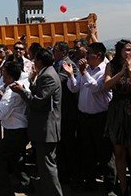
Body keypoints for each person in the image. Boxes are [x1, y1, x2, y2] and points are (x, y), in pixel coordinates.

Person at [64, 42, 115, 193]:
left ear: (98, 55)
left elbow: (96, 88)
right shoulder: (84, 70)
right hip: (84, 118)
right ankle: (90, 183)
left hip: (100, 118)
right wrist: (71, 75)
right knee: (87, 153)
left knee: (105, 154)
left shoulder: (105, 70)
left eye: (89, 54)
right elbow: (74, 88)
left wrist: (83, 72)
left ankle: (109, 187)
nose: (85, 57)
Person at [11, 48, 63, 196]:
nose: (33, 62)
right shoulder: (45, 74)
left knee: (47, 166)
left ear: (39, 61)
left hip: (46, 128)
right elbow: (39, 94)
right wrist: (32, 82)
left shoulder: (48, 76)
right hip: (43, 128)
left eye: (35, 59)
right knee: (45, 165)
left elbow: (38, 101)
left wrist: (22, 91)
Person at [104, 40, 131, 196]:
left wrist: (130, 70)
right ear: (120, 51)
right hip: (116, 110)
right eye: (128, 49)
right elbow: (106, 85)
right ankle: (123, 188)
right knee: (119, 152)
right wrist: (121, 73)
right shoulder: (112, 66)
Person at [0, 60, 29, 196]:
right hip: (20, 130)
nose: (2, 75)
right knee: (14, 159)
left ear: (10, 77)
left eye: (4, 73)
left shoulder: (11, 91)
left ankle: (5, 190)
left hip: (15, 132)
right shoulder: (21, 85)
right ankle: (25, 184)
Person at [52, 41, 80, 185]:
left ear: (63, 52)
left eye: (55, 50)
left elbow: (57, 81)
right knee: (61, 145)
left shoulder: (68, 65)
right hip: (60, 111)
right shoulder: (57, 64)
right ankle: (63, 174)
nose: (53, 53)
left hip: (68, 112)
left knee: (69, 145)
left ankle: (73, 176)